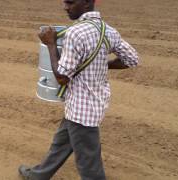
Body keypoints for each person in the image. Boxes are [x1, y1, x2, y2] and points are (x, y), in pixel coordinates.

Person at [19, 0, 139, 179]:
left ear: (86, 3)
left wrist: (51, 45)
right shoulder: (108, 30)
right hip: (91, 102)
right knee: (61, 143)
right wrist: (102, 65)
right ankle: (38, 175)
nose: (65, 7)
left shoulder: (75, 32)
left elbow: (61, 77)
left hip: (82, 111)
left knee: (90, 168)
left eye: (70, 2)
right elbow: (132, 59)